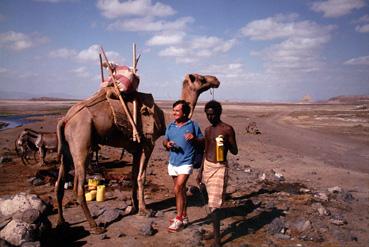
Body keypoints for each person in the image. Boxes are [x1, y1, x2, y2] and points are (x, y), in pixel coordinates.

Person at [196, 100, 238, 247]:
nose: (210, 118)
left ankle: (218, 241)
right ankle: (216, 232)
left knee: (215, 204)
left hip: (220, 168)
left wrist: (225, 142)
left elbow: (234, 151)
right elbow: (205, 151)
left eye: (213, 115)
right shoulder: (207, 130)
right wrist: (200, 172)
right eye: (208, 115)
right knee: (209, 201)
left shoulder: (227, 129)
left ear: (219, 113)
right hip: (207, 166)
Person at [163, 100, 204, 232]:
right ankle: (185, 216)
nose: (174, 112)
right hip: (173, 162)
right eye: (173, 110)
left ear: (185, 112)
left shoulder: (193, 125)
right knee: (179, 191)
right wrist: (167, 144)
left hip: (186, 162)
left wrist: (194, 138)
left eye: (177, 110)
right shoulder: (170, 126)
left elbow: (202, 140)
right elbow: (165, 140)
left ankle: (179, 219)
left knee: (178, 188)